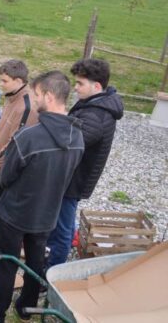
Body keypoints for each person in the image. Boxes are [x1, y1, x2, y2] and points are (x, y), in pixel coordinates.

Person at [0, 71, 84, 323]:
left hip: (15, 213)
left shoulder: (29, 137)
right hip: (47, 213)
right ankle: (26, 308)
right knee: (35, 261)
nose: (34, 99)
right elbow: (68, 176)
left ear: (50, 96)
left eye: (37, 94)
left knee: (6, 264)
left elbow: (7, 177)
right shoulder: (78, 137)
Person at [46, 59, 124, 268]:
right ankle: (54, 256)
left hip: (73, 180)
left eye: (80, 83)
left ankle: (52, 272)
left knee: (62, 229)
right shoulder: (94, 104)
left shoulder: (96, 114)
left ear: (96, 86)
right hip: (71, 176)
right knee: (62, 222)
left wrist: (53, 121)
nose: (76, 88)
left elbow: (68, 142)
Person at [0, 60, 39, 253]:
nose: (0, 84)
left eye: (4, 81)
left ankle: (0, 241)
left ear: (19, 80)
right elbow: (0, 128)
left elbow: (15, 141)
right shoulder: (11, 97)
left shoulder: (27, 106)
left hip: (8, 165)